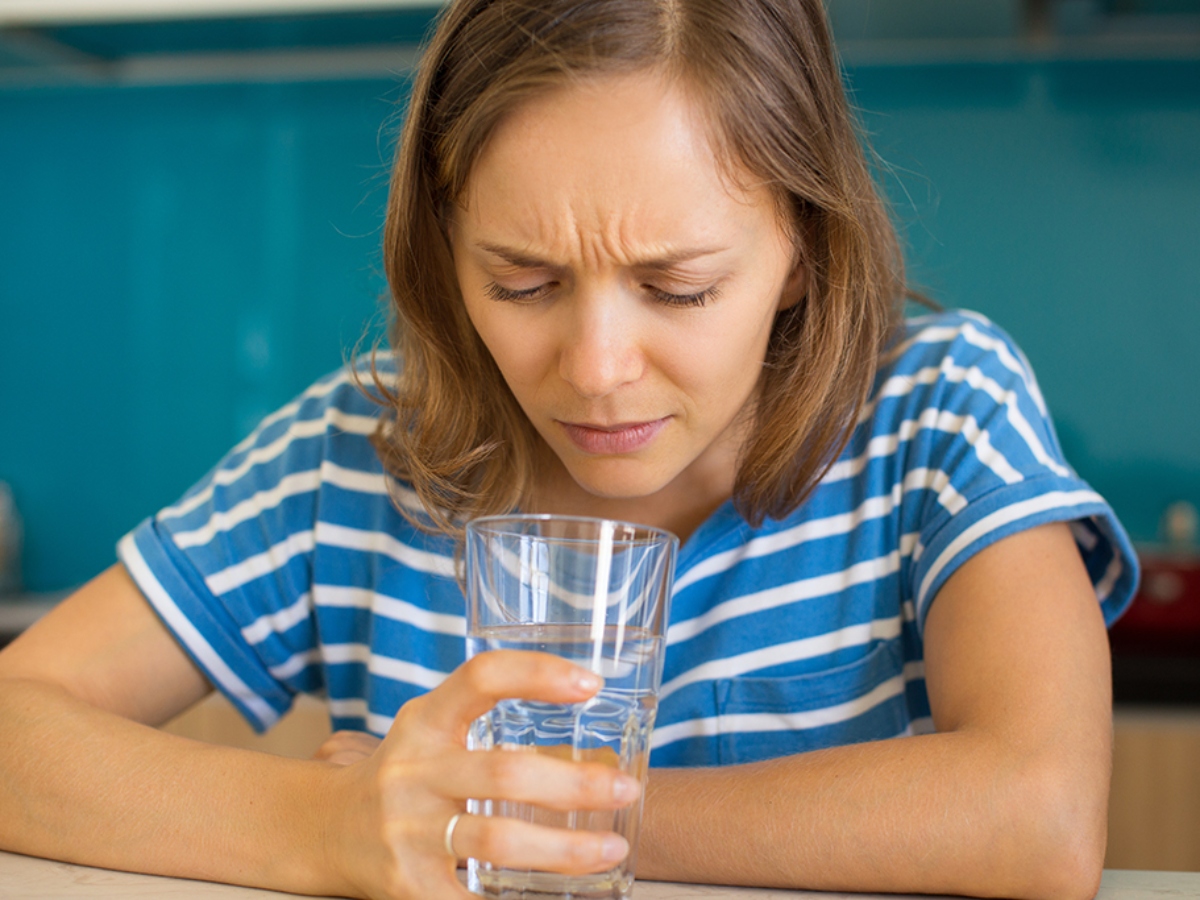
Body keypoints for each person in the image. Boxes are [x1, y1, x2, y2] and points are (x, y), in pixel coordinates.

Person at [0, 1, 1137, 899]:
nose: (596, 368)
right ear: (442, 248)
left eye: (678, 287)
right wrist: (327, 824)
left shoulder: (936, 411)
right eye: (524, 282)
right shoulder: (353, 457)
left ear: (802, 241)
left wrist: (524, 815)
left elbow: (1037, 814)